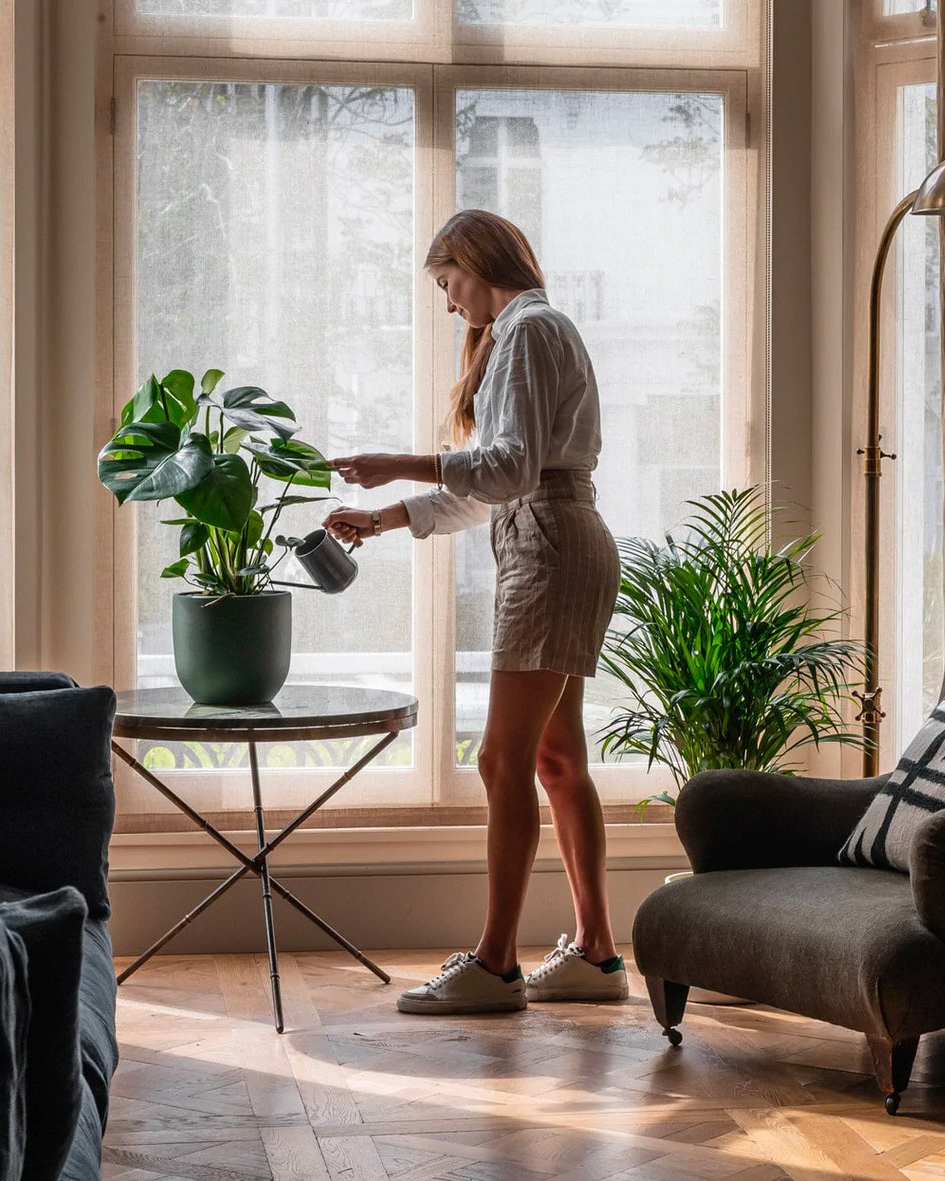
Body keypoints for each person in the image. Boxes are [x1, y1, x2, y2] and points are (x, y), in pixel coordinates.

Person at [324, 209, 623, 1015]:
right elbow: (495, 486)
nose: (450, 304)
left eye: (447, 283)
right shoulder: (529, 332)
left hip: (551, 550)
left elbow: (507, 467)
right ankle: (597, 953)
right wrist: (384, 518)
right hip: (557, 539)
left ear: (474, 261)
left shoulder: (529, 330)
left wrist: (395, 465)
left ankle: (496, 964)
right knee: (555, 760)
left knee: (502, 759)